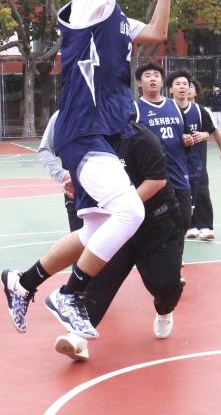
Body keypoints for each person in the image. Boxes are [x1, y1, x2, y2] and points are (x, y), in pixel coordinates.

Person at [0, 0, 185, 340]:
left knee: (95, 231)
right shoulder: (87, 3)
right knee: (131, 210)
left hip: (101, 133)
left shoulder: (113, 17)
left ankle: (23, 281)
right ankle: (70, 295)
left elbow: (158, 33)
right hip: (84, 130)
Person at [54, 122, 185, 362]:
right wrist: (76, 182)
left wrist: (124, 208)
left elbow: (156, 181)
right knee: (99, 280)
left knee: (164, 284)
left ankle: (165, 308)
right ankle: (77, 337)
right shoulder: (93, 142)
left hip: (156, 224)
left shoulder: (142, 138)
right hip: (117, 227)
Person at [133, 63, 192, 238]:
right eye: (147, 75)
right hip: (150, 178)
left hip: (178, 174)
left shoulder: (175, 106)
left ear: (162, 81)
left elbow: (185, 134)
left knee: (184, 221)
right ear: (139, 82)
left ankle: (174, 251)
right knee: (154, 226)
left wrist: (187, 140)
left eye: (156, 75)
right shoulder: (134, 109)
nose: (152, 79)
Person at [170, 70, 221, 240]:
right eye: (179, 84)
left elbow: (212, 131)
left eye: (188, 86)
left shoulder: (201, 111)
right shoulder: (168, 109)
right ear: (171, 89)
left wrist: (220, 148)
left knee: (201, 190)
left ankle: (205, 226)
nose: (185, 88)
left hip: (197, 158)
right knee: (182, 193)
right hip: (176, 160)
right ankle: (190, 225)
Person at [38, 110, 82, 233]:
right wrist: (64, 175)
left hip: (108, 197)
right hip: (76, 196)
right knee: (81, 241)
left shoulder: (110, 111)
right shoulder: (61, 116)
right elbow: (44, 151)